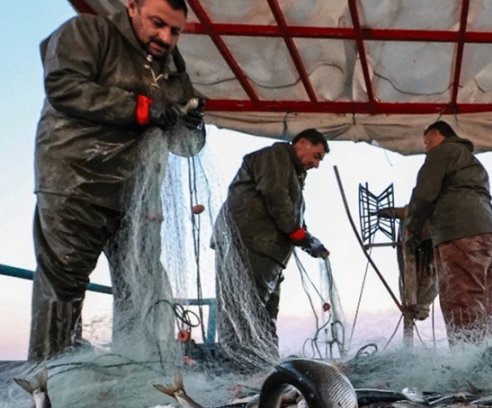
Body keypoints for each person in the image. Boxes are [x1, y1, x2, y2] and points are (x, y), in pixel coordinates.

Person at [29, 0, 206, 361]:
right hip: (77, 182)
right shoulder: (90, 32)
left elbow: (188, 145)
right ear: (132, 7)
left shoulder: (173, 68)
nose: (166, 37)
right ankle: (46, 387)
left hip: (138, 196)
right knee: (63, 283)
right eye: (158, 23)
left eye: (175, 31)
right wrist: (143, 108)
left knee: (141, 287)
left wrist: (191, 125)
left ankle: (137, 374)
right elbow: (63, 86)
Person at [212, 129, 330, 367]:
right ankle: (238, 369)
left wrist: (309, 240)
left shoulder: (294, 177)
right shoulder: (276, 156)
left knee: (264, 316)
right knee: (243, 310)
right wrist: (298, 234)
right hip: (248, 245)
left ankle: (263, 368)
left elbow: (291, 214)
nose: (316, 165)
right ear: (302, 143)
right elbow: (275, 196)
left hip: (270, 254)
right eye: (316, 156)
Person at [405, 121, 492, 345]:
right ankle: (487, 360)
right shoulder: (471, 162)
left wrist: (412, 229)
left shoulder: (443, 152)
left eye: (427, 142)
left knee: (460, 301)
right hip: (487, 234)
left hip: (458, 234)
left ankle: (466, 367)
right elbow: (455, 194)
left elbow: (424, 195)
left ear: (437, 134)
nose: (426, 148)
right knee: (484, 304)